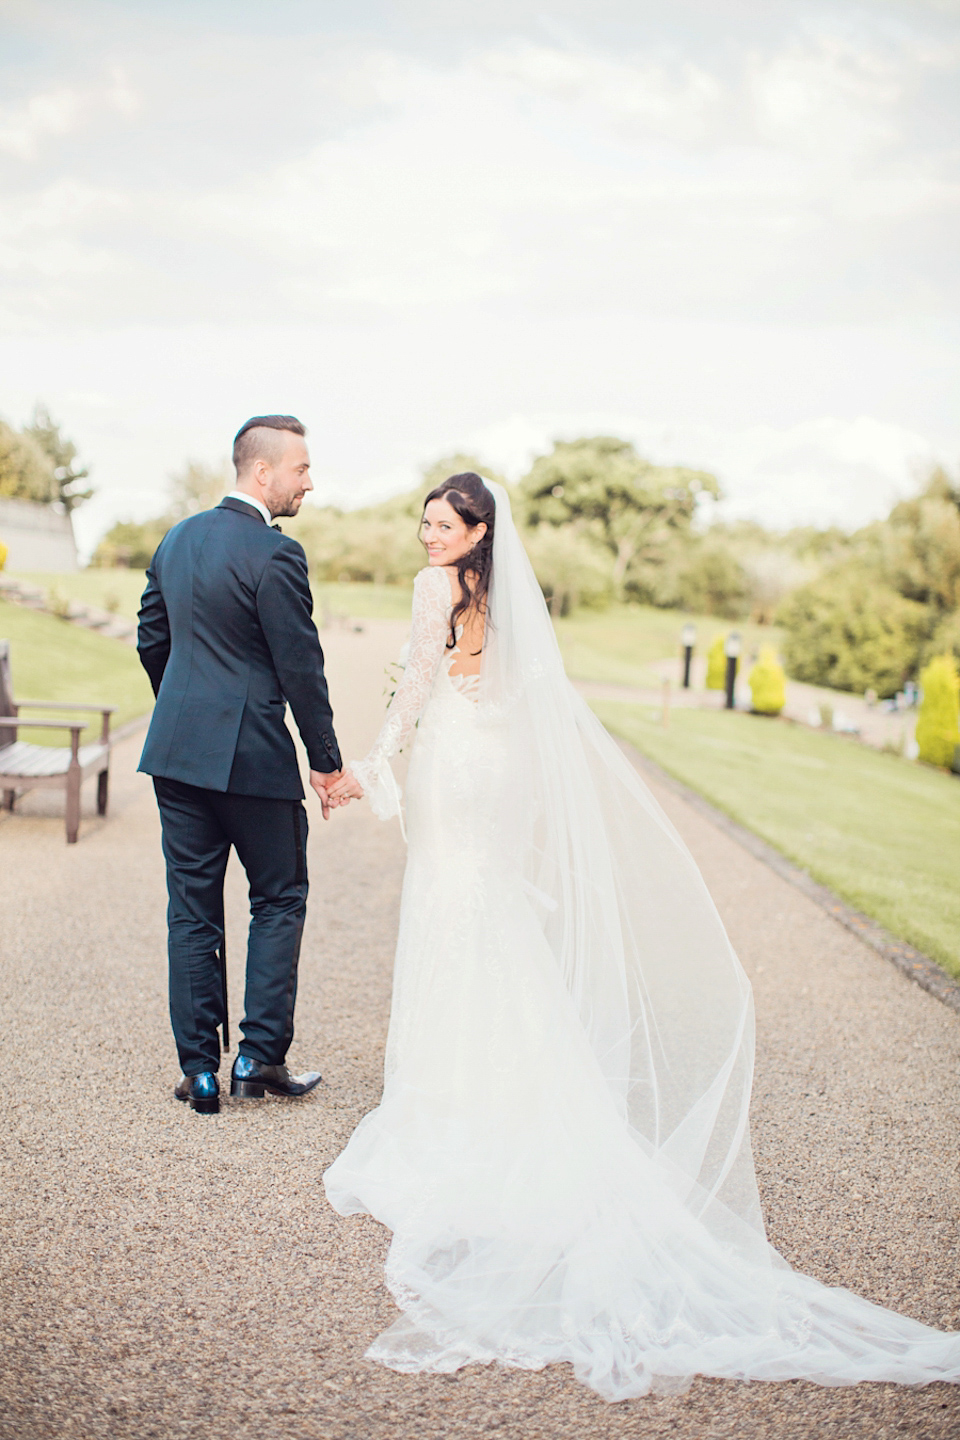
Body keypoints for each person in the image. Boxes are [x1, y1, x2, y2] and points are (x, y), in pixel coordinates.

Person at [323, 472, 960, 1402]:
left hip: (455, 769)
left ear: (477, 528)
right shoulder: (514, 603)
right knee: (492, 915)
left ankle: (444, 1103)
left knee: (449, 913)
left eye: (441, 523)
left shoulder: (433, 595)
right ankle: (510, 1085)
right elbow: (537, 714)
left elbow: (417, 690)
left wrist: (368, 772)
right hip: (495, 775)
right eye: (422, 523)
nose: (426, 537)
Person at [137, 415, 343, 1115]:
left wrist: (186, 710)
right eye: (302, 469)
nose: (308, 482)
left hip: (176, 758)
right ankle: (258, 1057)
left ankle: (199, 1073)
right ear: (264, 473)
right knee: (279, 898)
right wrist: (325, 761)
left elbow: (151, 638)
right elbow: (300, 667)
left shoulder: (177, 538)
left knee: (191, 913)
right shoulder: (276, 554)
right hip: (254, 761)